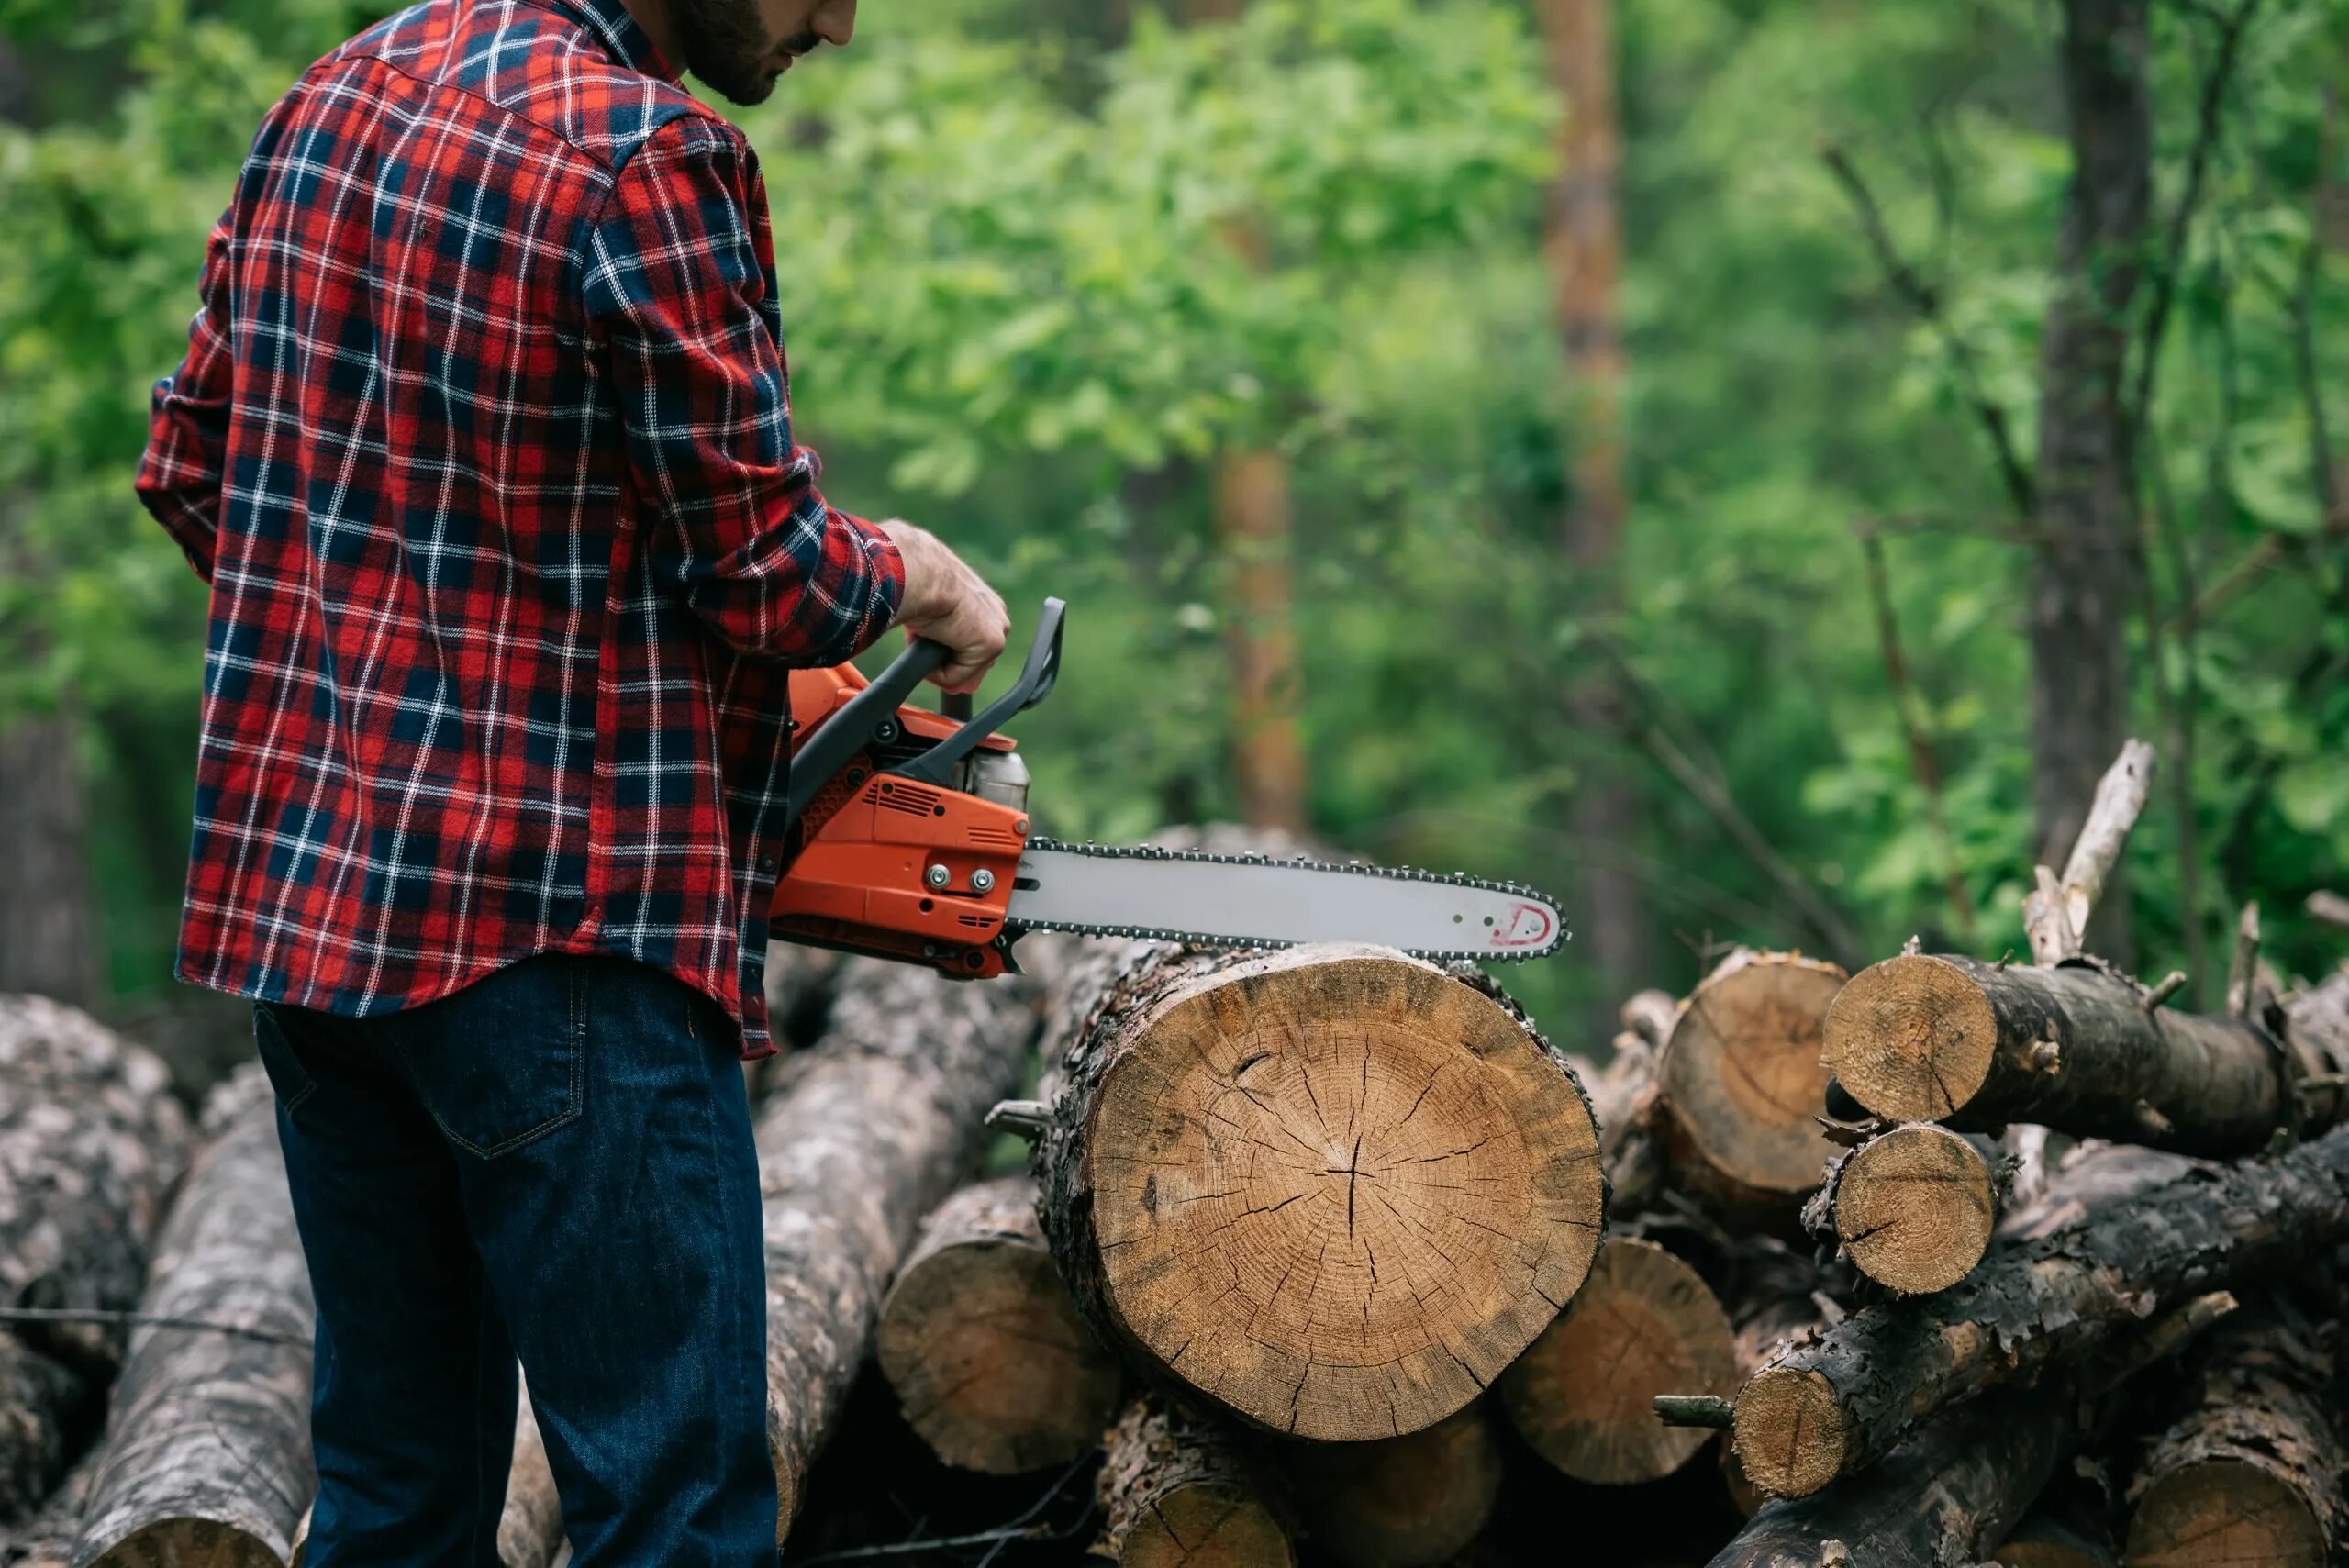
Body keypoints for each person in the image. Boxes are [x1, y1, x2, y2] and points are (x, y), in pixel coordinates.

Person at [134, 0, 1006, 1556]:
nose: (837, 24)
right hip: (567, 953)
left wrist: (400, 694)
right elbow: (766, 574)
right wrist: (920, 574)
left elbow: (197, 463)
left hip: (319, 939)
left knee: (394, 1503)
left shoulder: (340, 91)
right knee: (672, 1517)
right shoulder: (649, 156)